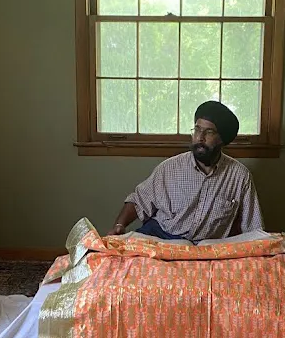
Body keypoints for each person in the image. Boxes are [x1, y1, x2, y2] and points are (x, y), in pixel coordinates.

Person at [109, 101, 264, 241]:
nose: (200, 138)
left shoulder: (239, 176)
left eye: (209, 132)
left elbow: (253, 228)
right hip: (161, 235)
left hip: (207, 245)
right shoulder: (169, 168)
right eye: (197, 130)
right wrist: (119, 224)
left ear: (222, 139)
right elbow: (139, 201)